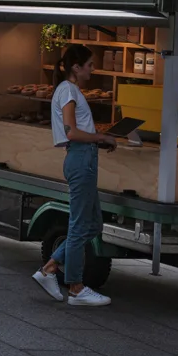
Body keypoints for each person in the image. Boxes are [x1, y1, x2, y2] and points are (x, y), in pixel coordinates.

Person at [33, 44, 117, 306]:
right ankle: (76, 288)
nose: (93, 68)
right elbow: (71, 132)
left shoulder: (69, 90)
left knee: (93, 225)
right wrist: (100, 136)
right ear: (76, 68)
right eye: (90, 64)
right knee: (81, 225)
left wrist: (97, 140)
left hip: (83, 157)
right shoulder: (68, 91)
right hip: (81, 157)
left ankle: (50, 268)